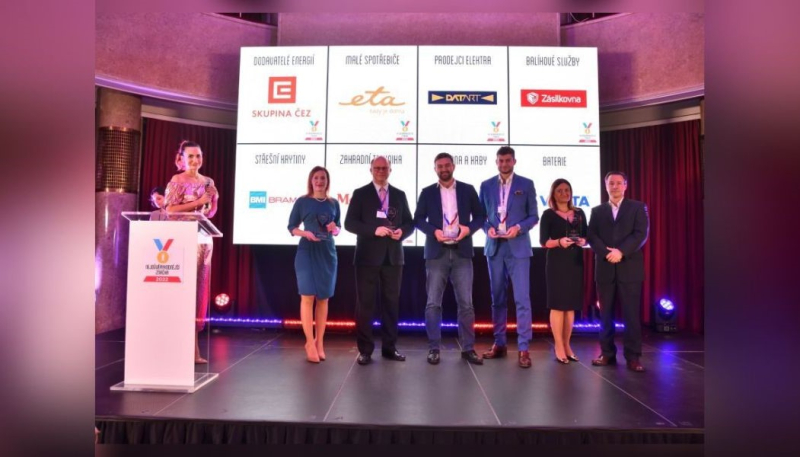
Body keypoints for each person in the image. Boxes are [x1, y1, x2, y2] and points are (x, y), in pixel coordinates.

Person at [414, 153, 486, 365]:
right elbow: (418, 219)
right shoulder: (427, 192)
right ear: (435, 169)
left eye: (447, 165)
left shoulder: (467, 189)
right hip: (437, 253)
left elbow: (480, 216)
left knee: (466, 304)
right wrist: (434, 232)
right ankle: (434, 349)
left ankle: (468, 349)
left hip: (462, 252)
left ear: (453, 166)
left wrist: (468, 229)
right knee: (433, 304)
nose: (444, 169)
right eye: (440, 166)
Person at [344, 156, 414, 365]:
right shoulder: (360, 193)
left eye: (384, 168)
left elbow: (410, 223)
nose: (381, 171)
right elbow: (349, 223)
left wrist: (402, 232)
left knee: (391, 305)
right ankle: (365, 350)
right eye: (377, 168)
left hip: (393, 258)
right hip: (367, 258)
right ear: (371, 170)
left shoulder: (400, 194)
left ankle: (390, 348)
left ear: (390, 170)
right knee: (365, 305)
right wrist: (374, 230)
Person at [478, 146, 539, 368]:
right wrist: (487, 229)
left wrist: (519, 228)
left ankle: (523, 348)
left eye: (508, 160)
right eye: (501, 160)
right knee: (497, 298)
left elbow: (534, 216)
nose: (504, 164)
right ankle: (500, 343)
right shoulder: (486, 185)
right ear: (496, 162)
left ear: (514, 161)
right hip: (495, 248)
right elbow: (480, 216)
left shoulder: (526, 184)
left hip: (518, 247)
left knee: (522, 299)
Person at [588, 171, 649, 372]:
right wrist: (607, 253)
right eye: (611, 183)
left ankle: (633, 357)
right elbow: (592, 236)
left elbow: (640, 234)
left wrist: (620, 252)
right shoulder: (597, 211)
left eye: (618, 183)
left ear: (625, 185)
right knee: (605, 315)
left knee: (631, 315)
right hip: (605, 268)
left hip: (629, 269)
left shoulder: (638, 207)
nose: (614, 186)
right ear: (606, 186)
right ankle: (607, 353)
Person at [164, 140, 219, 364]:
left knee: (199, 294)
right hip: (183, 239)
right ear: (182, 159)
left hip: (203, 239)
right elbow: (169, 210)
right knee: (184, 292)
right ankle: (179, 348)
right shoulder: (177, 180)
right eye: (191, 156)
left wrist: (212, 200)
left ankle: (194, 351)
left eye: (198, 156)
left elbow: (210, 213)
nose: (195, 160)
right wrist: (199, 201)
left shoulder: (208, 181)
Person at [287, 166, 341, 363]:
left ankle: (320, 343)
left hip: (327, 252)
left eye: (323, 178)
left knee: (323, 298)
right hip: (307, 251)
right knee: (307, 296)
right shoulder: (302, 201)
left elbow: (338, 228)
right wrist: (305, 233)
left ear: (327, 181)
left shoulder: (334, 203)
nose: (319, 181)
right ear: (311, 180)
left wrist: (334, 229)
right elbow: (292, 227)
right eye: (316, 178)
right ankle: (309, 343)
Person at [539, 179, 588, 364]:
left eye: (567, 190)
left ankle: (567, 345)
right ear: (553, 194)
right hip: (557, 262)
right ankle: (558, 346)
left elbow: (586, 235)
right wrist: (559, 242)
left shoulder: (580, 213)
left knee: (570, 306)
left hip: (575, 262)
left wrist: (583, 241)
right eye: (559, 190)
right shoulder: (548, 214)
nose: (564, 193)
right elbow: (544, 241)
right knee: (558, 305)